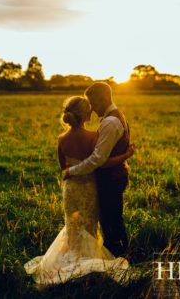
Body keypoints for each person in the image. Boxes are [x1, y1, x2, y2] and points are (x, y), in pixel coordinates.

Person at [24, 96, 134, 285]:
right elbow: (101, 163)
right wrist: (126, 155)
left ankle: (71, 259)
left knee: (72, 227)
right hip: (88, 188)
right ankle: (87, 262)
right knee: (89, 225)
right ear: (85, 115)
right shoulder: (93, 137)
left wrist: (71, 173)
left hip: (71, 188)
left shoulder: (61, 139)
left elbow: (63, 167)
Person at [64, 82, 131, 257]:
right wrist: (124, 157)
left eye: (93, 104)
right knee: (112, 220)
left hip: (111, 179)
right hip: (114, 177)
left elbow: (97, 160)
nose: (91, 110)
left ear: (103, 99)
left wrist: (72, 171)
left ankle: (118, 258)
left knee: (111, 222)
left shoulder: (110, 122)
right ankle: (118, 256)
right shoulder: (115, 116)